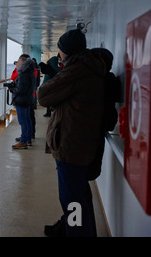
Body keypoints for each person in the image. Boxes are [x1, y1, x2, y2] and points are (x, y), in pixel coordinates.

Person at [37, 29, 107, 237]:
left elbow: (43, 95)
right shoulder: (89, 69)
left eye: (60, 52)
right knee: (80, 196)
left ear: (68, 52)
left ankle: (77, 233)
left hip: (71, 145)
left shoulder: (76, 71)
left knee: (72, 200)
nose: (59, 56)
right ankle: (84, 232)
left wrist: (58, 72)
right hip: (82, 142)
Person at [7, 54, 36, 149]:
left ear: (23, 63)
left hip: (22, 101)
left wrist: (12, 89)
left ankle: (23, 142)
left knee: (23, 121)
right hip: (27, 100)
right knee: (27, 120)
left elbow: (21, 90)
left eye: (18, 62)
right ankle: (27, 138)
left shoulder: (23, 74)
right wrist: (15, 85)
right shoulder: (29, 72)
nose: (17, 64)